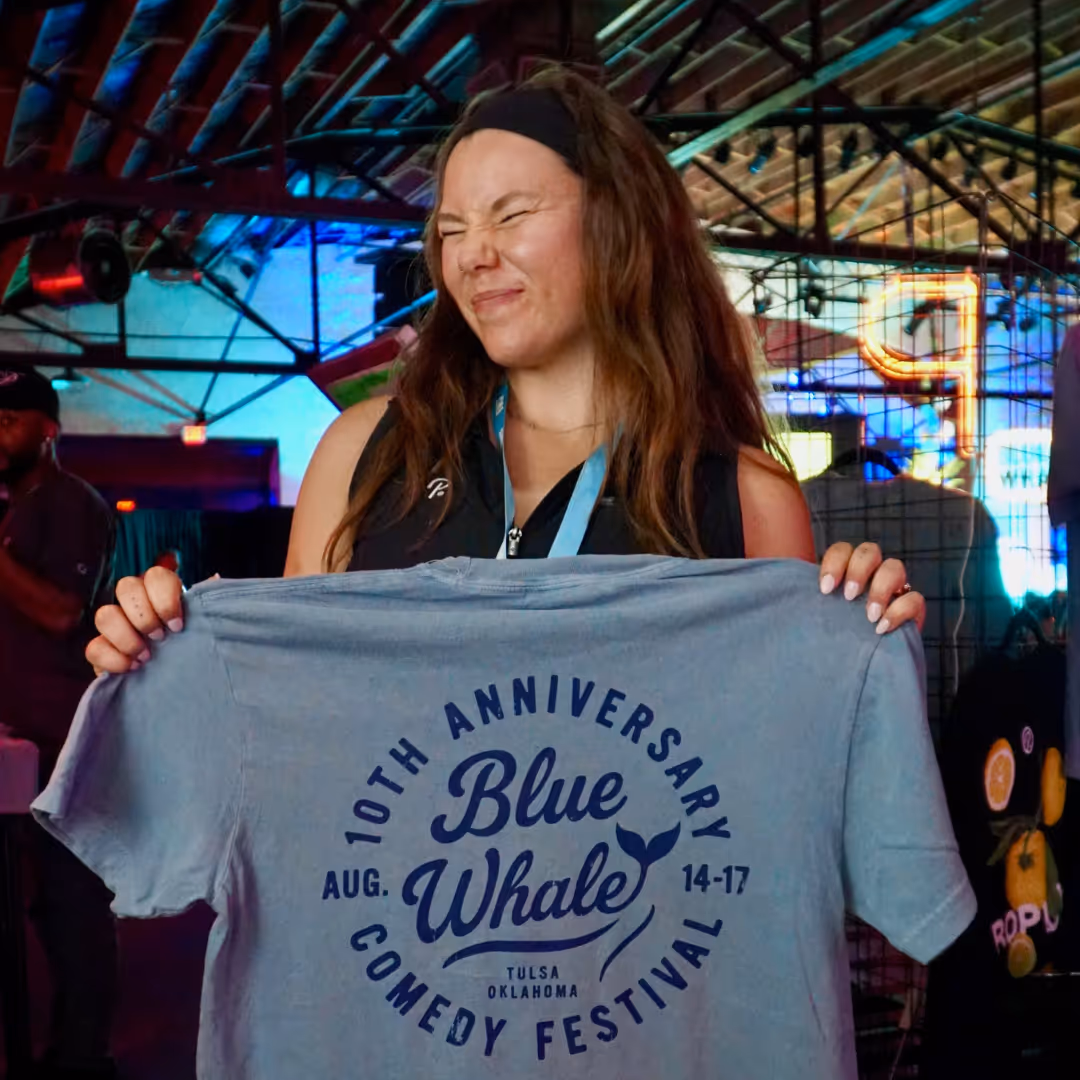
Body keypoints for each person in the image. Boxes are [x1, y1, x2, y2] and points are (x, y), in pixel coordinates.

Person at [86, 68, 925, 676]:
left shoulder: (743, 501)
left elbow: (773, 784)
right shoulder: (366, 454)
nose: (472, 255)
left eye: (511, 215)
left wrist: (860, 649)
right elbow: (290, 713)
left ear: (616, 225)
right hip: (390, 917)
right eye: (450, 229)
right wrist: (165, 652)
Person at [0, 367, 117, 1080]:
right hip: (25, 744)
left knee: (73, 907)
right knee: (41, 909)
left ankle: (84, 1059)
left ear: (47, 427)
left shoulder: (70, 503)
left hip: (65, 740)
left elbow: (58, 611)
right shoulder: (17, 505)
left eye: (9, 419)